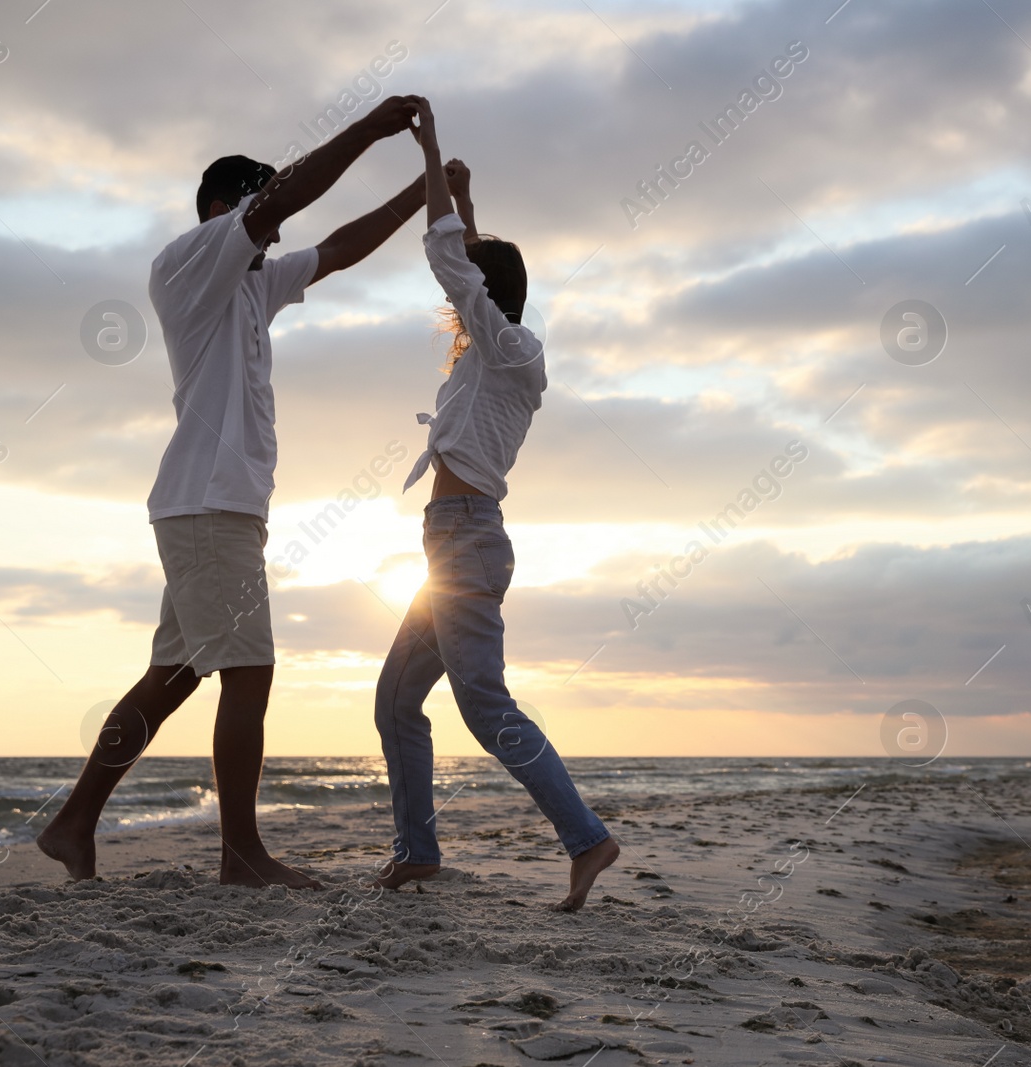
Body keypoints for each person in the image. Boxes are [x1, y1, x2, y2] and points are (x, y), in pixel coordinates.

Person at [38, 96, 437, 889]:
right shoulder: (188, 265)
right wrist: (372, 127)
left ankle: (73, 822)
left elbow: (338, 248)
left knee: (174, 676)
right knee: (250, 672)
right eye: (263, 211)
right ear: (227, 211)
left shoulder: (253, 285)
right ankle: (241, 854)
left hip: (217, 509)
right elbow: (287, 201)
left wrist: (422, 194)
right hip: (209, 505)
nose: (278, 232)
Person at [372, 98, 618, 910]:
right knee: (397, 699)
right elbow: (469, 259)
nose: (465, 290)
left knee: (484, 702)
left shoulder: (509, 350)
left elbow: (452, 262)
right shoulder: (494, 354)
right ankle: (417, 852)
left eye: (479, 281)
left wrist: (430, 145)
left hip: (467, 542)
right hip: (453, 545)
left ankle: (585, 838)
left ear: (491, 295)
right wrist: (466, 197)